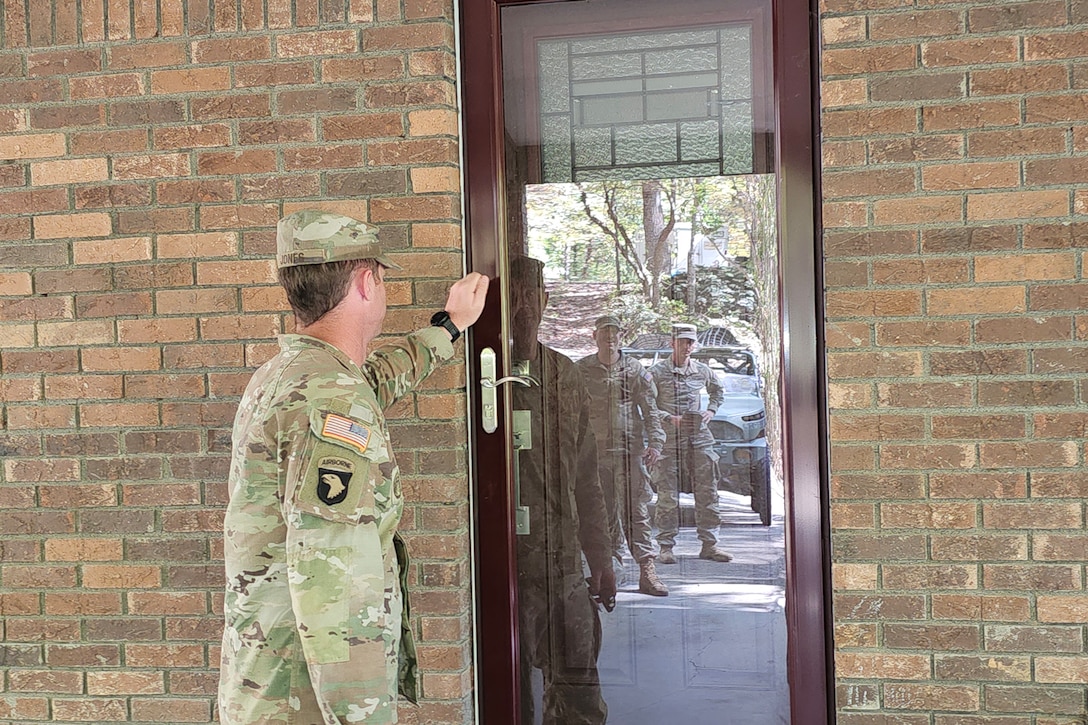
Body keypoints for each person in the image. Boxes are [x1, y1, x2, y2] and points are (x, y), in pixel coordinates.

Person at [218, 210, 488, 725]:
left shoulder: (296, 373)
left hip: (276, 677)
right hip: (305, 696)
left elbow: (373, 381)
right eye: (381, 279)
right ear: (367, 282)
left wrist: (449, 328)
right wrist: (362, 714)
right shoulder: (331, 397)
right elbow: (333, 581)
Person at [510, 255, 614, 725]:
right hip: (504, 575)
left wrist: (601, 559)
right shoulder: (484, 375)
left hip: (564, 568)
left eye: (532, 296)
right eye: (513, 297)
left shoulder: (564, 375)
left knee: (578, 703)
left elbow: (588, 477)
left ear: (546, 301)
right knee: (510, 702)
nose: (523, 307)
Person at [577, 315, 669, 596]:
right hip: (594, 455)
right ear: (594, 336)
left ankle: (646, 570)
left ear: (621, 336)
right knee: (598, 513)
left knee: (636, 512)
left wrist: (656, 444)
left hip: (629, 453)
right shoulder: (581, 370)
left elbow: (650, 410)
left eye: (614, 333)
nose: (609, 338)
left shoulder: (634, 369)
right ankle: (607, 573)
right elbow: (569, 412)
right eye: (604, 333)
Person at [649, 324, 733, 564]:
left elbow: (718, 392)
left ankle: (710, 544)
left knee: (708, 492)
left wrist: (710, 411)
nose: (687, 347)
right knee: (667, 495)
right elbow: (646, 404)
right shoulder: (656, 373)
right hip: (669, 440)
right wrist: (668, 418)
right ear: (671, 342)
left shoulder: (702, 371)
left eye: (690, 342)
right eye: (682, 341)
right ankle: (665, 546)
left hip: (699, 438)